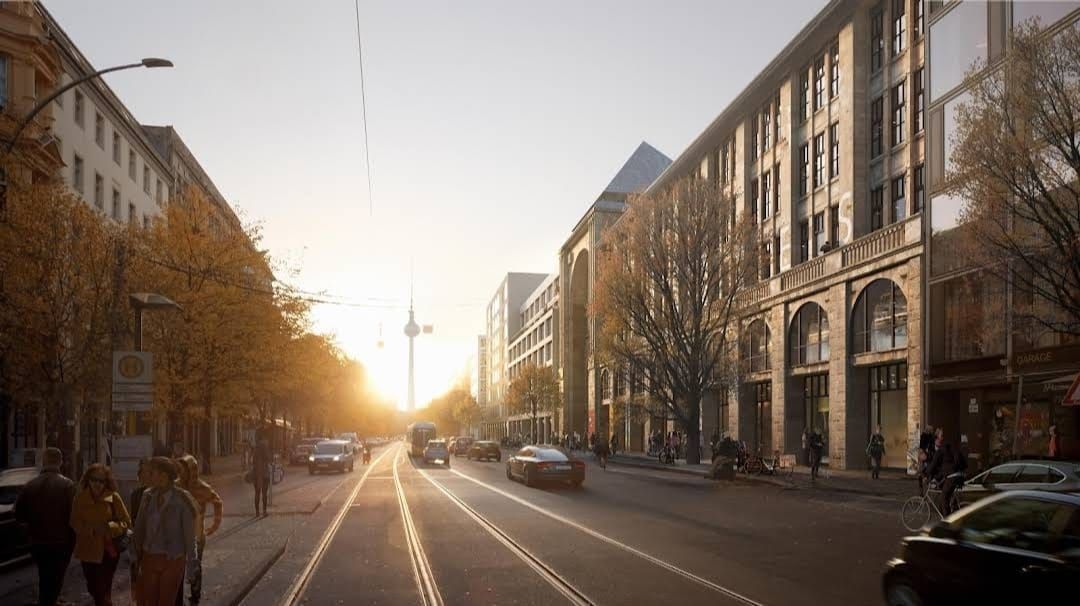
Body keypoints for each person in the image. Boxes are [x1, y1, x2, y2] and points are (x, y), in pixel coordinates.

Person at [14, 447, 76, 606]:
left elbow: (19, 514)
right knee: (56, 579)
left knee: (44, 576)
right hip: (61, 542)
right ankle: (50, 601)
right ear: (60, 462)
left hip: (38, 541)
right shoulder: (67, 485)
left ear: (44, 461)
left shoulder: (30, 485)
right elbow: (74, 516)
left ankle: (46, 601)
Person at [133, 457, 197, 606]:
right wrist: (134, 555)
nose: (147, 476)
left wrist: (192, 566)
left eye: (151, 472)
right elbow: (139, 528)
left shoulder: (183, 498)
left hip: (173, 559)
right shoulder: (147, 496)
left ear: (164, 476)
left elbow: (189, 535)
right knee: (149, 602)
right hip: (149, 557)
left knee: (165, 602)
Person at [71, 463, 131, 606]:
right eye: (94, 479)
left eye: (101, 480)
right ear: (88, 480)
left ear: (106, 482)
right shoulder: (80, 498)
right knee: (92, 587)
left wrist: (110, 527)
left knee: (102, 589)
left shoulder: (114, 497)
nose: (97, 484)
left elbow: (126, 521)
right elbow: (74, 522)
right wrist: (90, 529)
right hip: (87, 549)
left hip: (108, 550)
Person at [176, 455, 222, 606]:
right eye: (180, 469)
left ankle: (195, 597)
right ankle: (177, 598)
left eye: (183, 470)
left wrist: (215, 524)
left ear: (191, 471)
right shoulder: (175, 486)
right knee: (178, 569)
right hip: (178, 536)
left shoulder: (202, 488)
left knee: (195, 568)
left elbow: (217, 501)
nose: (181, 472)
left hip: (197, 537)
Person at [129, 459, 152, 603]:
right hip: (139, 544)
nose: (144, 475)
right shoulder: (136, 494)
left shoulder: (158, 494)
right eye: (142, 472)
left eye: (148, 472)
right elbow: (133, 519)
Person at [251, 437, 272, 517]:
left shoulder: (255, 452)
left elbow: (253, 463)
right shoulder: (266, 451)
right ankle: (264, 511)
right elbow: (269, 459)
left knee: (257, 493)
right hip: (265, 475)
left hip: (256, 475)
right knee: (264, 494)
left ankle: (257, 512)